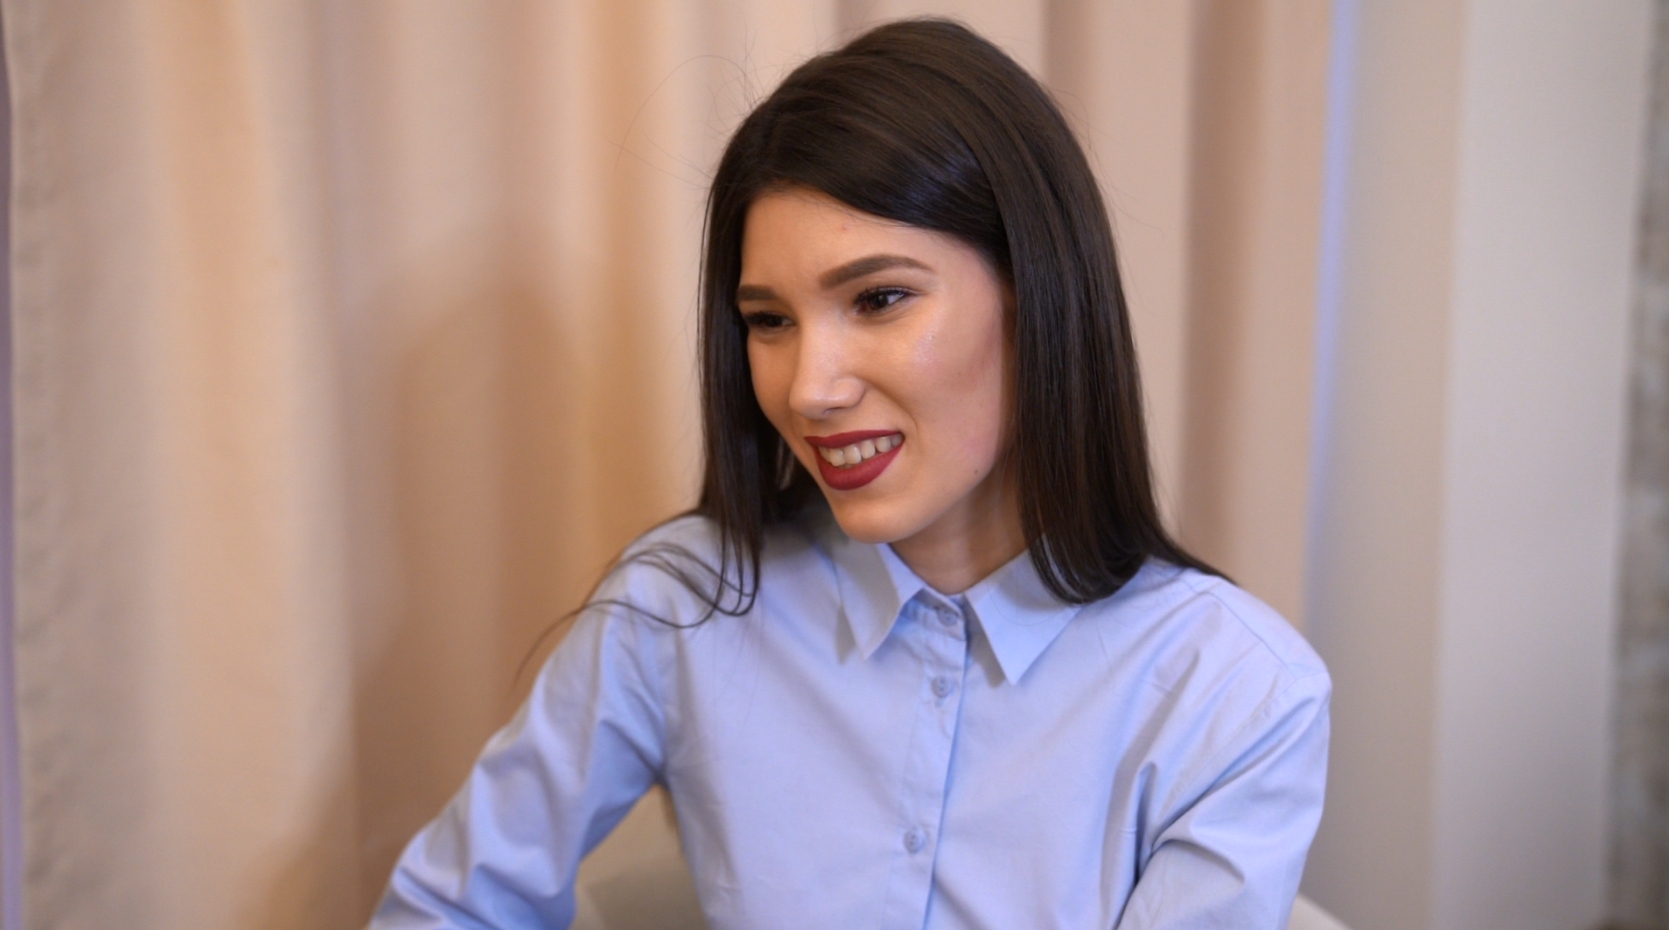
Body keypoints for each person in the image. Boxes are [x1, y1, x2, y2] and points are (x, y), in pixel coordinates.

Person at [368, 18, 1329, 930]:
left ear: (1037, 294)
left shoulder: (1237, 694)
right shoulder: (683, 604)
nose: (810, 390)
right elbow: (448, 906)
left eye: (878, 299)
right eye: (769, 321)